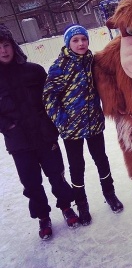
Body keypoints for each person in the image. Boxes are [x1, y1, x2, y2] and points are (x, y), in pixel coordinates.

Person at [0, 24, 80, 241]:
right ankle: (43, 217)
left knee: (57, 174)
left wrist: (52, 125)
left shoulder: (34, 71)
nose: (3, 51)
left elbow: (51, 101)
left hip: (45, 136)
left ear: (13, 46)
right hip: (19, 143)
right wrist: (7, 127)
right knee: (31, 182)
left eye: (6, 45)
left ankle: (66, 207)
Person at [43, 24, 123, 227]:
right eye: (75, 40)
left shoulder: (93, 62)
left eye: (83, 39)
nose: (80, 43)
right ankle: (82, 204)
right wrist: (61, 119)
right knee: (77, 167)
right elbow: (48, 97)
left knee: (101, 160)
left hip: (94, 122)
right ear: (68, 43)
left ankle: (110, 194)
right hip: (71, 129)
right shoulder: (59, 67)